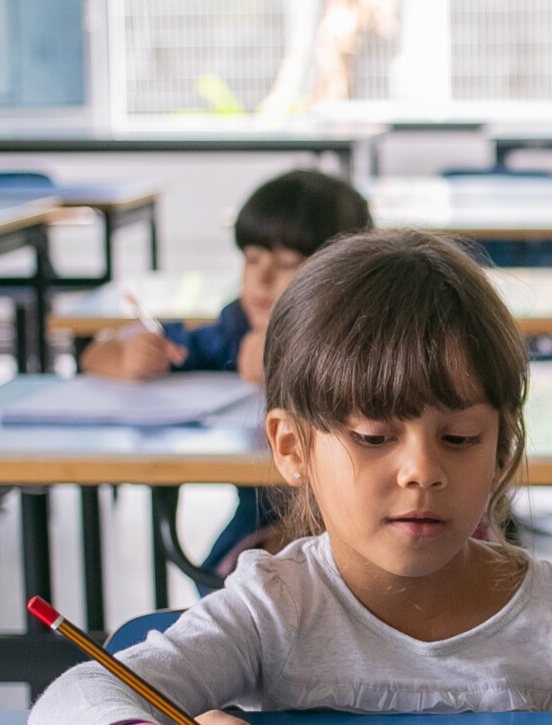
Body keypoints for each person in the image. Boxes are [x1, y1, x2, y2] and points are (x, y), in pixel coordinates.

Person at [30, 229, 552, 725]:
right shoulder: (273, 608)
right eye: (374, 437)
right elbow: (69, 702)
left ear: (501, 446)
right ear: (292, 448)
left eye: (460, 438)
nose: (423, 471)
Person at [81, 168, 373, 575]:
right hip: (261, 522)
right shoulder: (235, 328)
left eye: (288, 263)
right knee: (240, 575)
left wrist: (285, 361)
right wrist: (128, 357)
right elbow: (95, 354)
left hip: (361, 520)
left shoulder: (370, 337)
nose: (262, 277)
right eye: (252, 258)